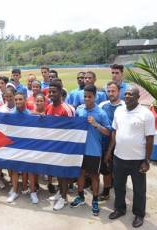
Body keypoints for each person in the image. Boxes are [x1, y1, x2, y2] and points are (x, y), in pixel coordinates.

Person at [105, 86, 155, 228]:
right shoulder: (119, 111)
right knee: (119, 186)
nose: (127, 96)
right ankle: (120, 209)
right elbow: (115, 132)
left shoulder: (146, 114)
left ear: (138, 97)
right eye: (126, 94)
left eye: (130, 94)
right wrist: (109, 151)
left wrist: (146, 161)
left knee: (139, 189)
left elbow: (150, 139)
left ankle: (139, 214)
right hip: (119, 157)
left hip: (137, 160)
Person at [70, 84, 111, 217]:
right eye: (85, 96)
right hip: (80, 150)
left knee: (94, 176)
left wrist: (96, 124)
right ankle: (81, 196)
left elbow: (108, 132)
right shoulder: (79, 109)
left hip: (94, 151)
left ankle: (94, 200)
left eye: (89, 97)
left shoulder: (101, 112)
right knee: (80, 174)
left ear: (95, 97)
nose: (87, 99)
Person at [45, 79, 75, 211]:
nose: (51, 94)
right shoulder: (49, 107)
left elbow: (74, 130)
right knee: (57, 172)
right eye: (49, 92)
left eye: (54, 92)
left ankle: (64, 197)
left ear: (60, 92)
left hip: (65, 147)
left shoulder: (67, 109)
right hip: (53, 146)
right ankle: (59, 192)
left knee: (63, 174)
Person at [97, 81, 125, 201]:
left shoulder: (124, 107)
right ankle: (106, 191)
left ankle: (117, 190)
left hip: (120, 145)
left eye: (113, 91)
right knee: (106, 168)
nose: (110, 93)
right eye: (108, 91)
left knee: (118, 171)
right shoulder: (102, 105)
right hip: (104, 142)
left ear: (119, 92)